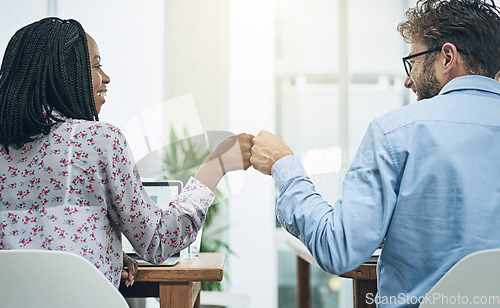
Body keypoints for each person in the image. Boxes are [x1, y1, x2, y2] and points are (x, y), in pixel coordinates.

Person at [251, 0, 500, 306]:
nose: (409, 79)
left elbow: (339, 249)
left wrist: (283, 166)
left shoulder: (395, 132)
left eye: (415, 62)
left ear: (447, 57)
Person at [0, 17, 253, 289]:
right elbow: (157, 241)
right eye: (96, 65)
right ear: (66, 74)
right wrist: (215, 166)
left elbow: (28, 244)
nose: (105, 77)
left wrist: (104, 252)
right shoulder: (99, 141)